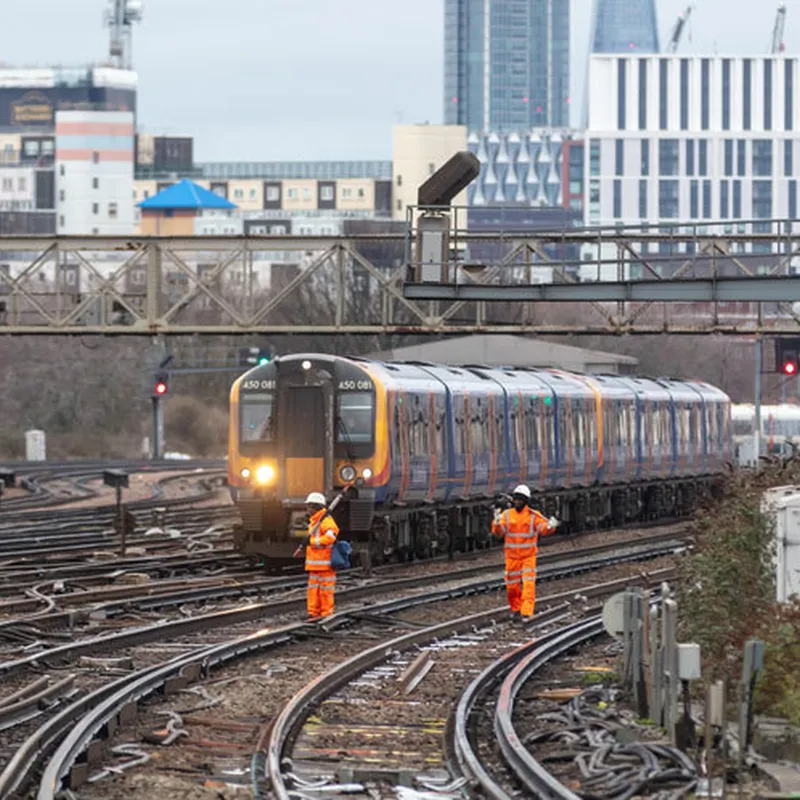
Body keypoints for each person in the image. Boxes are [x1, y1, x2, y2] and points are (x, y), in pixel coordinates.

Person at [491, 485, 558, 623]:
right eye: (516, 499)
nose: (517, 502)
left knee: (528, 586)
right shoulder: (507, 515)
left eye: (520, 500)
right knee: (512, 587)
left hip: (528, 557)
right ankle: (516, 610)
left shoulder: (533, 516)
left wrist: (550, 527)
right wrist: (496, 523)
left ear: (526, 501)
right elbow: (499, 533)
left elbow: (542, 528)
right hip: (512, 558)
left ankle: (526, 613)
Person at [297, 491, 340, 619]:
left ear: (315, 507)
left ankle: (326, 614)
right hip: (315, 564)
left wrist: (312, 542)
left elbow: (330, 538)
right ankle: (313, 613)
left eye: (309, 506)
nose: (307, 509)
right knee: (313, 590)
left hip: (325, 564)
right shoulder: (315, 521)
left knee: (325, 591)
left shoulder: (326, 521)